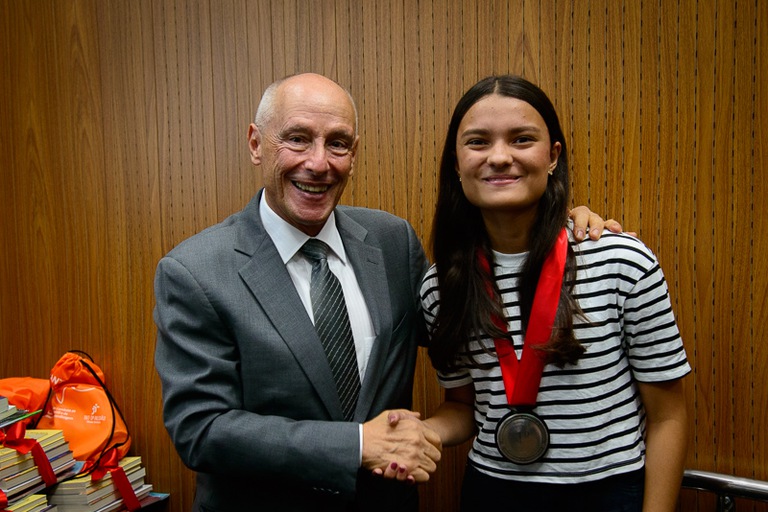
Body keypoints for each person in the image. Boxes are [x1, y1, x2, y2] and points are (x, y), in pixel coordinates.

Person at [153, 72, 621, 511]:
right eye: (297, 138)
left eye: (337, 143)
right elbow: (201, 430)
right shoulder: (195, 271)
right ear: (256, 143)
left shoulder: (392, 242)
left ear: (354, 153)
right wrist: (359, 445)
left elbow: (466, 333)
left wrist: (560, 226)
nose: (318, 163)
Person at [382, 75, 690, 512]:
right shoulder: (440, 288)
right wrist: (421, 432)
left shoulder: (622, 262)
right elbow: (464, 406)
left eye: (522, 139)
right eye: (478, 142)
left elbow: (668, 416)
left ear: (553, 156)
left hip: (609, 492)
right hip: (492, 491)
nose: (500, 157)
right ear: (456, 163)